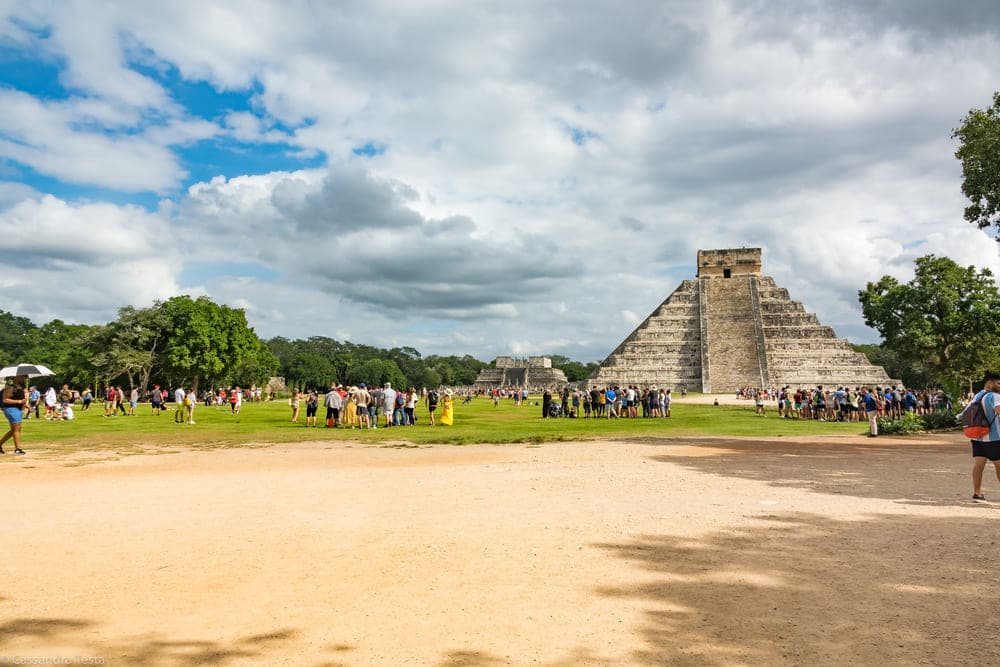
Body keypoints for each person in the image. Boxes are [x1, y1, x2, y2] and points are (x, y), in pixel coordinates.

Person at [967, 372, 1000, 501]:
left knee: (979, 465)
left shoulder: (977, 396)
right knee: (999, 465)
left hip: (976, 437)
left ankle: (977, 493)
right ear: (990, 383)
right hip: (994, 438)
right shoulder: (995, 396)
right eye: (998, 383)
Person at [1, 375, 29, 455]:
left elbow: (20, 399)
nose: (24, 378)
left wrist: (24, 404)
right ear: (16, 378)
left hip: (17, 409)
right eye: (22, 377)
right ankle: (17, 448)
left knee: (15, 430)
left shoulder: (21, 388)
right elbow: (5, 399)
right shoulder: (11, 388)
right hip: (11, 409)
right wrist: (19, 402)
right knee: (16, 429)